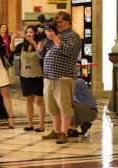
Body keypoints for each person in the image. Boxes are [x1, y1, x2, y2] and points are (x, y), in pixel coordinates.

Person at [39, 11, 82, 144]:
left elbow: (69, 51)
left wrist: (55, 39)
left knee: (64, 106)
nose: (58, 23)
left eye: (60, 21)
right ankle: (56, 131)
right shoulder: (54, 36)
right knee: (52, 106)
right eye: (56, 21)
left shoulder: (73, 36)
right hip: (48, 77)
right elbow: (41, 55)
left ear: (68, 22)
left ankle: (64, 132)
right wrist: (40, 46)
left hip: (63, 77)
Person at [11, 26, 45, 132]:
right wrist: (13, 38)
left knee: (39, 101)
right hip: (25, 75)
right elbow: (12, 49)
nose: (29, 34)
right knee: (28, 100)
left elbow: (40, 52)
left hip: (38, 75)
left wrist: (33, 42)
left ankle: (41, 125)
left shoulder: (39, 43)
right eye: (27, 32)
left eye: (31, 32)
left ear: (35, 34)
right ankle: (30, 124)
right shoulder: (22, 46)